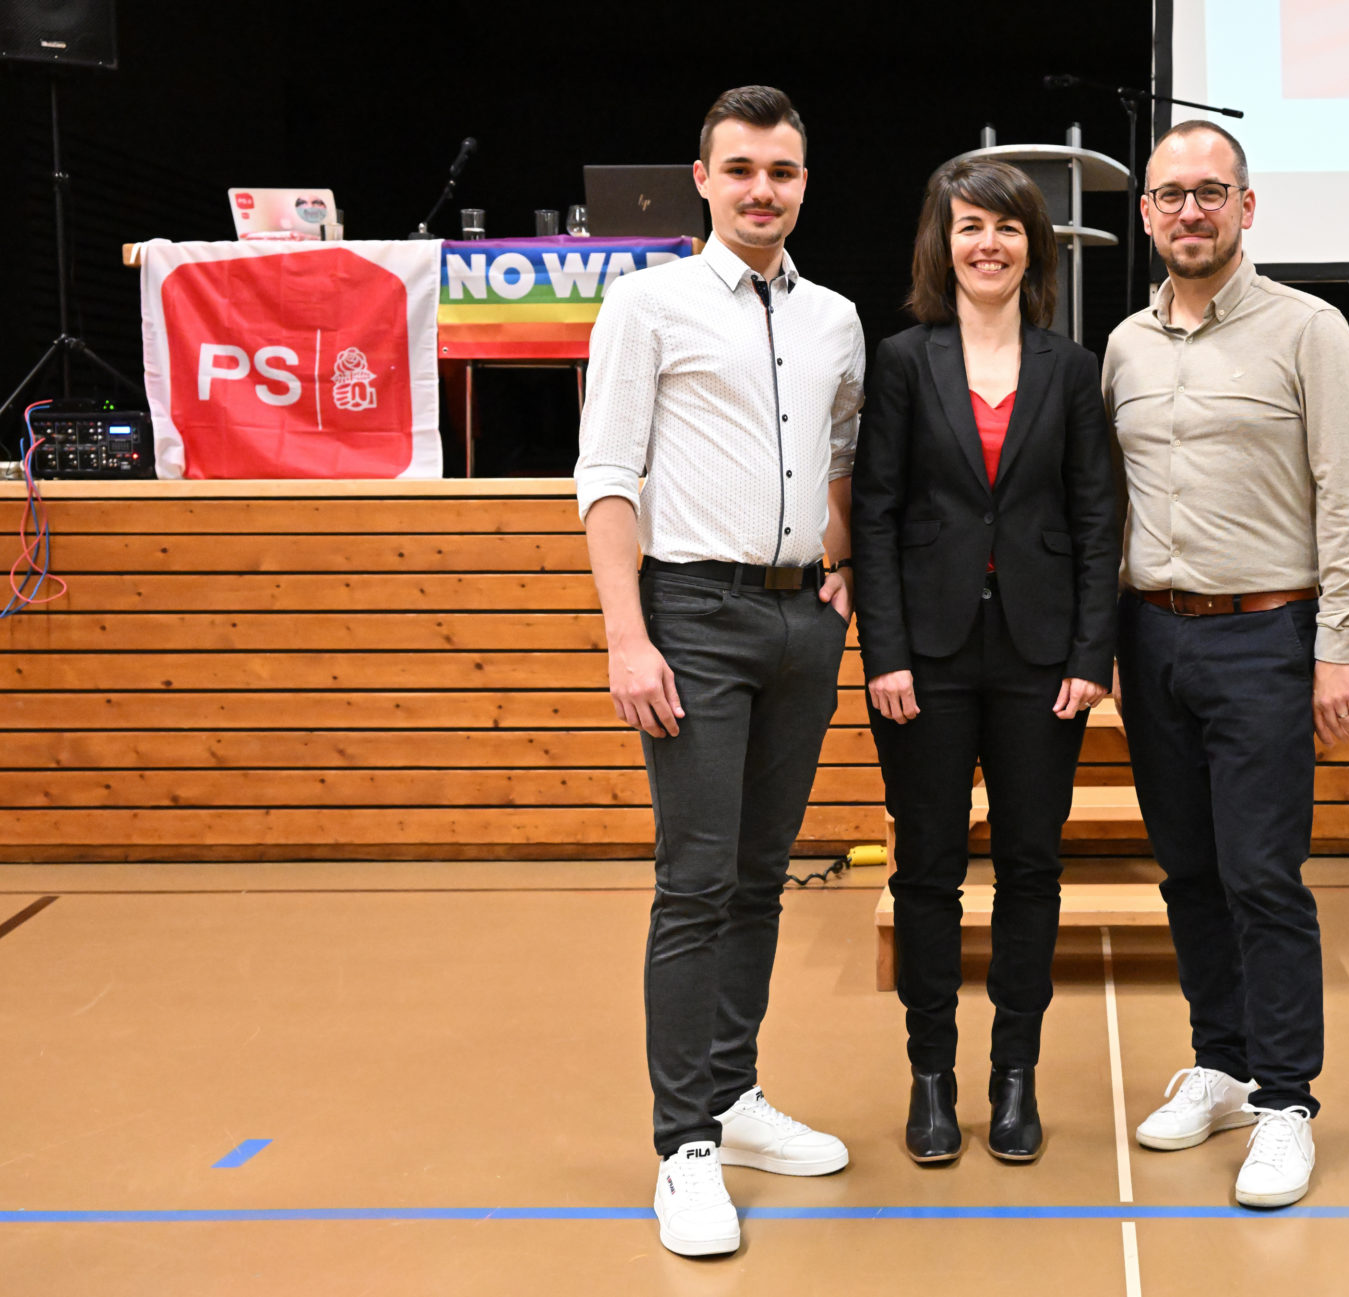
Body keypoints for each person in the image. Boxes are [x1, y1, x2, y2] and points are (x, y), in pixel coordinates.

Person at [574, 85, 863, 1259]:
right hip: (688, 613)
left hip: (803, 625)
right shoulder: (646, 304)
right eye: (740, 168)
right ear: (702, 179)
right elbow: (606, 473)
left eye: (782, 171)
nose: (761, 190)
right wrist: (625, 633)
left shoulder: (837, 318)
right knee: (693, 882)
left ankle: (735, 1095)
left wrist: (841, 563)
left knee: (759, 876)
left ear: (804, 182)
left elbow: (840, 461)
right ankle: (684, 1143)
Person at [1103, 121, 1349, 1209]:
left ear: (1247, 207)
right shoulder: (1124, 346)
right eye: (1171, 195)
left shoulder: (1310, 332)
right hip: (1153, 638)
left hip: (1268, 636)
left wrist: (1336, 648)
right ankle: (1220, 1063)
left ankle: (1286, 1101)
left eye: (1210, 193)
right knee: (1188, 872)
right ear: (1146, 215)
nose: (1190, 211)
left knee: (1264, 876)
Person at [852, 159, 1119, 1165]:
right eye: (970, 226)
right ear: (943, 240)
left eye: (1007, 228)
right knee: (925, 873)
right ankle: (932, 1077)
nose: (988, 245)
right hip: (922, 657)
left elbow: (1098, 519)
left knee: (1030, 868)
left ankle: (1016, 1077)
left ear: (1031, 246)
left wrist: (1092, 652)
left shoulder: (1071, 366)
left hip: (1043, 659)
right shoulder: (904, 360)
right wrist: (884, 651)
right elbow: (873, 517)